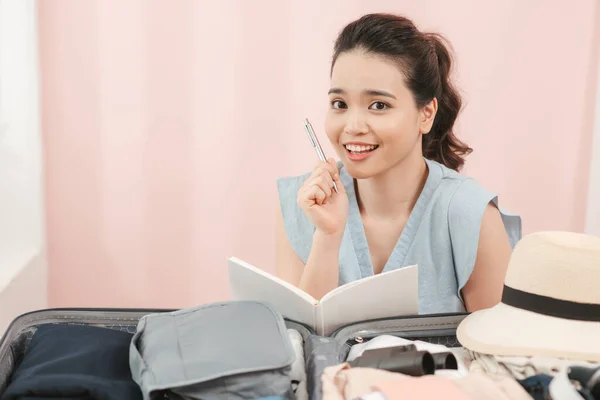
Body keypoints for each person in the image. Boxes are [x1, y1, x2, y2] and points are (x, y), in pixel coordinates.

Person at [274, 13, 521, 314]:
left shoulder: (471, 215)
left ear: (426, 114)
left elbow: (497, 353)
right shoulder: (303, 206)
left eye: (379, 105)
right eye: (340, 104)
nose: (352, 125)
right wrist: (327, 237)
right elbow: (300, 345)